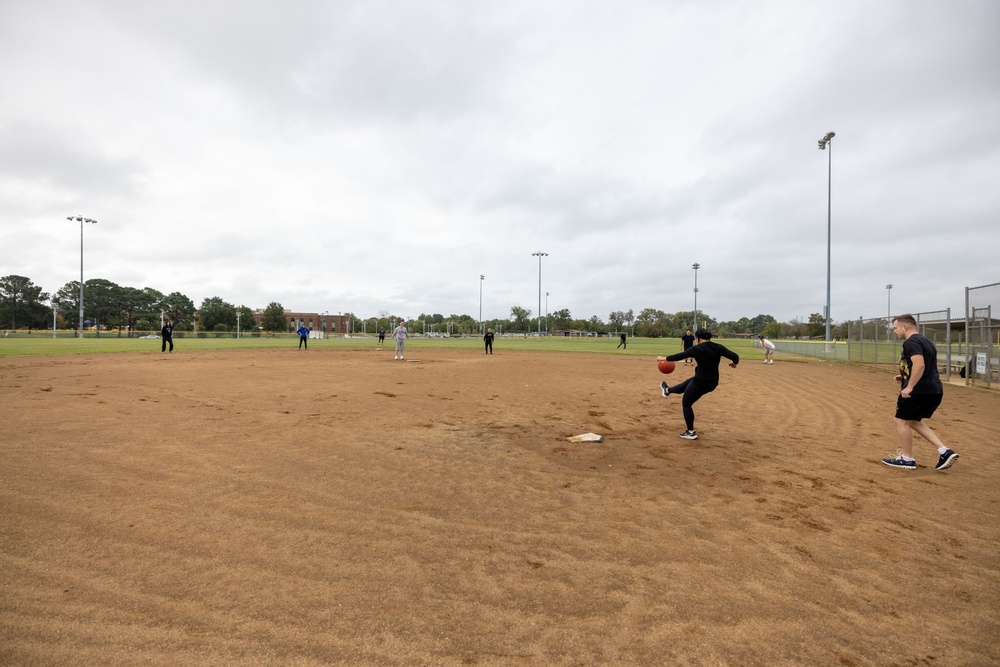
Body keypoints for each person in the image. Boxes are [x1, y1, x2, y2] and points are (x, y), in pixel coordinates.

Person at [882, 314, 958, 471]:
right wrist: (903, 376)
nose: (894, 331)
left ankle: (907, 458)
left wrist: (909, 386)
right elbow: (923, 366)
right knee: (913, 421)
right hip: (933, 389)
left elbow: (920, 365)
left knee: (901, 420)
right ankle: (944, 451)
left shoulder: (911, 342)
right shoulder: (926, 341)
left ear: (905, 327)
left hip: (918, 390)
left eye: (895, 328)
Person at [657, 328, 739, 440]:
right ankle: (667, 391)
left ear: (698, 338)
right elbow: (735, 356)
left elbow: (680, 356)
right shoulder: (718, 347)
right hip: (713, 382)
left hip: (701, 382)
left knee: (686, 403)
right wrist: (734, 364)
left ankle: (690, 432)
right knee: (687, 384)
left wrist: (664, 358)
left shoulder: (696, 349)